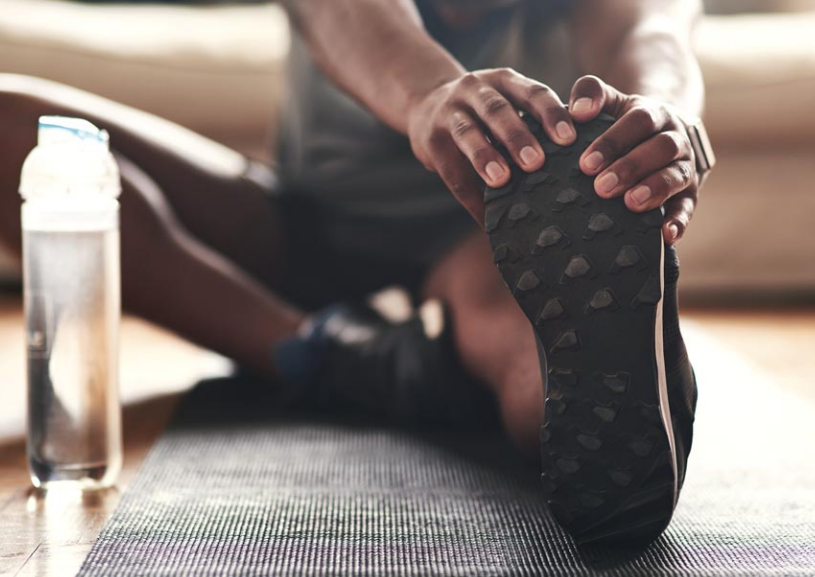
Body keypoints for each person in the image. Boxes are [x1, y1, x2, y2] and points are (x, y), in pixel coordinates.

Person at [0, 0, 711, 544]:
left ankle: (626, 386)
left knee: (535, 349)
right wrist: (429, 93)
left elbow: (645, 32)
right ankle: (332, 350)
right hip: (299, 220)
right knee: (13, 129)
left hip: (487, 232)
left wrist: (658, 117)